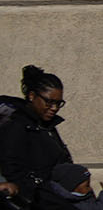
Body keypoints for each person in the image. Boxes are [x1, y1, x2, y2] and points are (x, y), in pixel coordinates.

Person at [0, 65, 75, 198]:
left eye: (58, 103)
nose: (54, 108)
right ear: (32, 96)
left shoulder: (47, 127)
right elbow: (11, 169)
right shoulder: (17, 126)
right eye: (49, 102)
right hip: (34, 202)